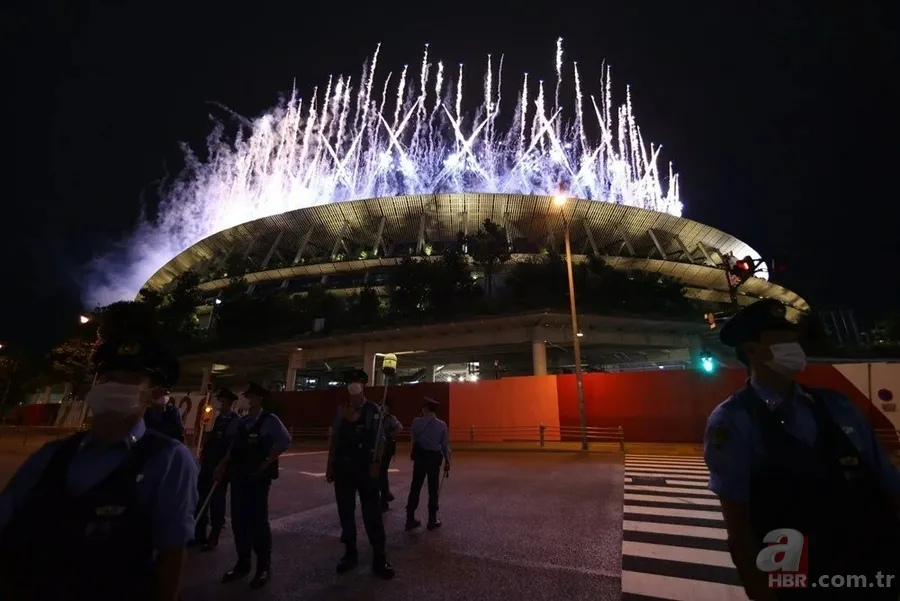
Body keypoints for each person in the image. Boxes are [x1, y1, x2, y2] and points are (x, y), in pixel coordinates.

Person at [704, 299, 900, 601]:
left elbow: (887, 482)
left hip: (868, 569)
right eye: (780, 338)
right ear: (752, 350)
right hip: (794, 577)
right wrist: (760, 589)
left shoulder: (838, 406)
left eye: (792, 337)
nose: (793, 344)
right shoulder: (733, 420)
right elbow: (738, 522)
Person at [0, 336, 198, 601]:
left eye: (130, 378)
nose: (115, 386)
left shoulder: (168, 460)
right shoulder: (52, 454)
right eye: (108, 377)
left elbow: (171, 556)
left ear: (155, 394)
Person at [216, 382, 291, 589]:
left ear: (259, 399)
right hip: (239, 476)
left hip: (258, 479)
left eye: (250, 396)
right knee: (239, 521)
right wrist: (223, 464)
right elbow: (233, 446)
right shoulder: (242, 421)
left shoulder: (270, 420)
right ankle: (243, 563)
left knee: (258, 522)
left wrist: (267, 462)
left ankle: (263, 567)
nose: (246, 400)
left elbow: (285, 441)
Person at [326, 369, 395, 579]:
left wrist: (377, 463)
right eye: (349, 382)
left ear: (363, 385)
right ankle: (350, 553)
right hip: (343, 468)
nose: (352, 385)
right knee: (346, 513)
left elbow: (380, 441)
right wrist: (329, 465)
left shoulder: (373, 410)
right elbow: (335, 439)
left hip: (365, 468)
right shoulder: (341, 410)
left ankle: (379, 556)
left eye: (356, 382)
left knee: (372, 513)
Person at [194, 387, 240, 550]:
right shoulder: (219, 418)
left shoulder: (234, 421)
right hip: (209, 463)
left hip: (220, 466)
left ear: (229, 402)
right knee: (201, 498)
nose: (219, 403)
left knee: (216, 501)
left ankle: (214, 536)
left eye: (222, 400)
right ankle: (198, 534)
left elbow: (232, 446)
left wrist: (222, 466)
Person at [405, 396, 450, 531]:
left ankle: (410, 518)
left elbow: (413, 438)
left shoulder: (416, 422)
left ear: (425, 408)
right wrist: (447, 461)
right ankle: (432, 519)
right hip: (433, 459)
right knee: (433, 489)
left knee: (415, 488)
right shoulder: (442, 425)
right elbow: (444, 445)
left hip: (420, 458)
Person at [379, 397, 403, 512]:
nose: (381, 407)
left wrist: (389, 435)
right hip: (375, 449)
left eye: (384, 405)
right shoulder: (376, 417)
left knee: (382, 473)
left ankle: (384, 499)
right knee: (377, 473)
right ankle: (384, 495)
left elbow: (399, 428)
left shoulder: (391, 418)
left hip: (386, 449)